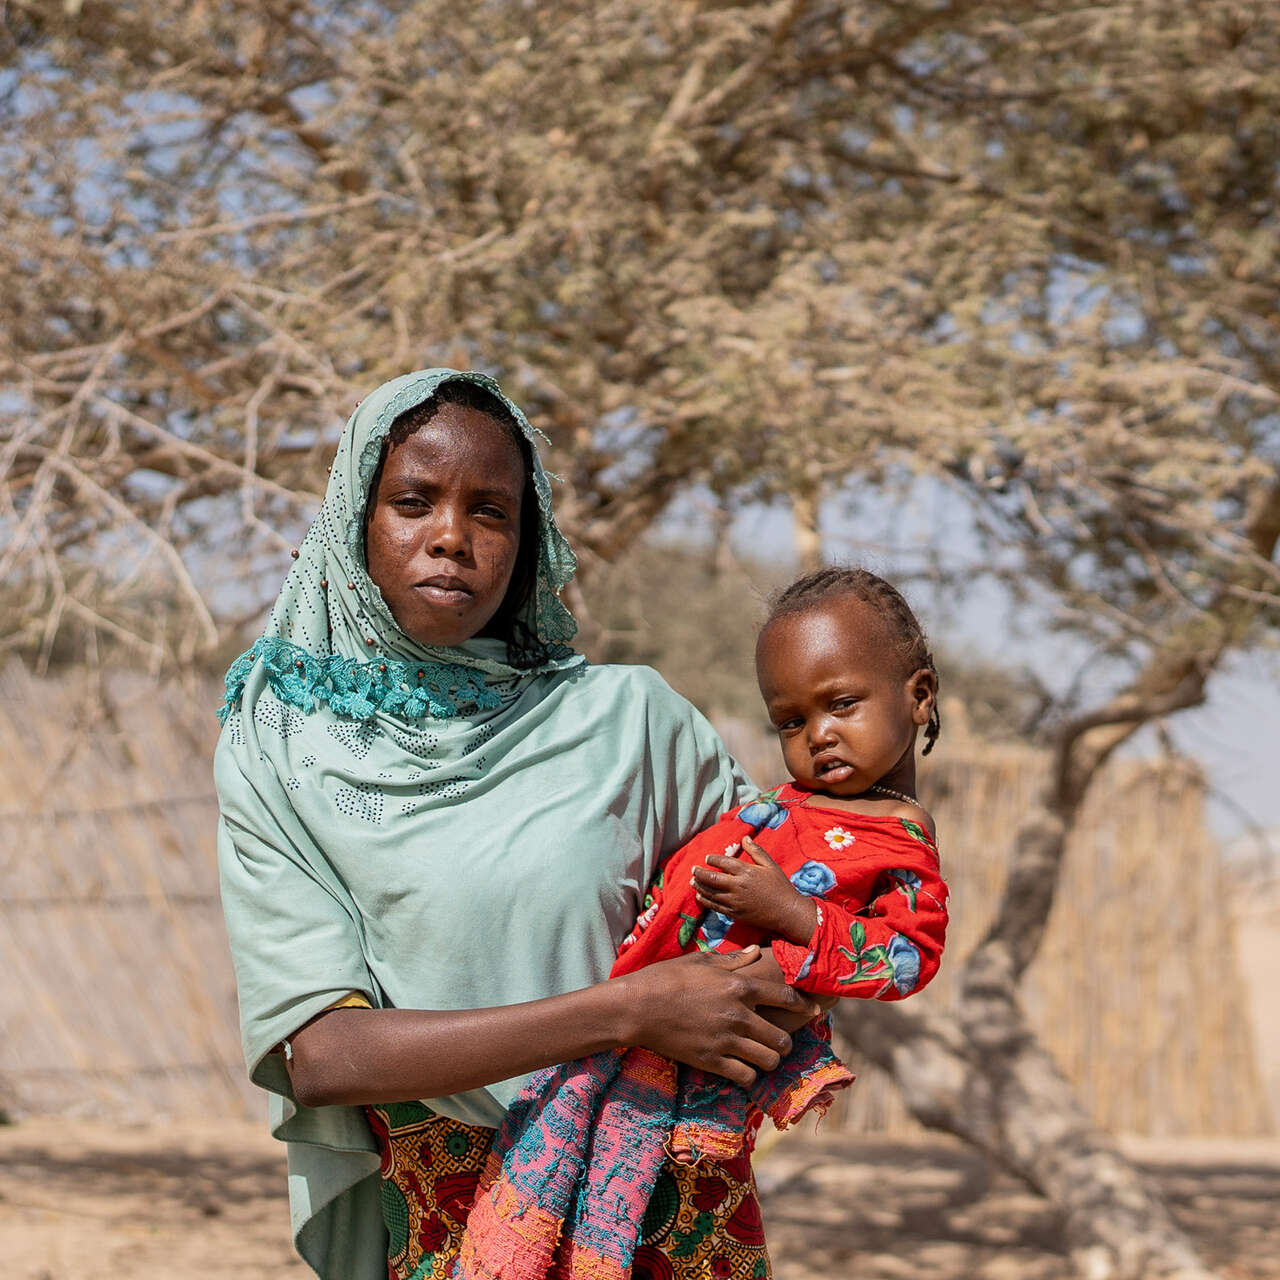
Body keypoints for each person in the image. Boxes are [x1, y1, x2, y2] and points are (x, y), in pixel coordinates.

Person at [214, 368, 821, 1280]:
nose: (451, 538)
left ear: (526, 538)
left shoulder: (632, 722)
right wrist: (627, 1012)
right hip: (453, 1220)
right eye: (413, 502)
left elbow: (798, 926)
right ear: (354, 522)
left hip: (667, 1210)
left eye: (491, 512)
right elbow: (322, 1054)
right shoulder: (285, 742)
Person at [460, 568, 948, 1280]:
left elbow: (907, 958)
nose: (819, 736)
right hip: (629, 1006)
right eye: (791, 720)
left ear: (919, 695)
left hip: (690, 1049)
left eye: (841, 704)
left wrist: (790, 913)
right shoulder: (794, 801)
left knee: (610, 1191)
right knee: (541, 1157)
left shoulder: (899, 841)